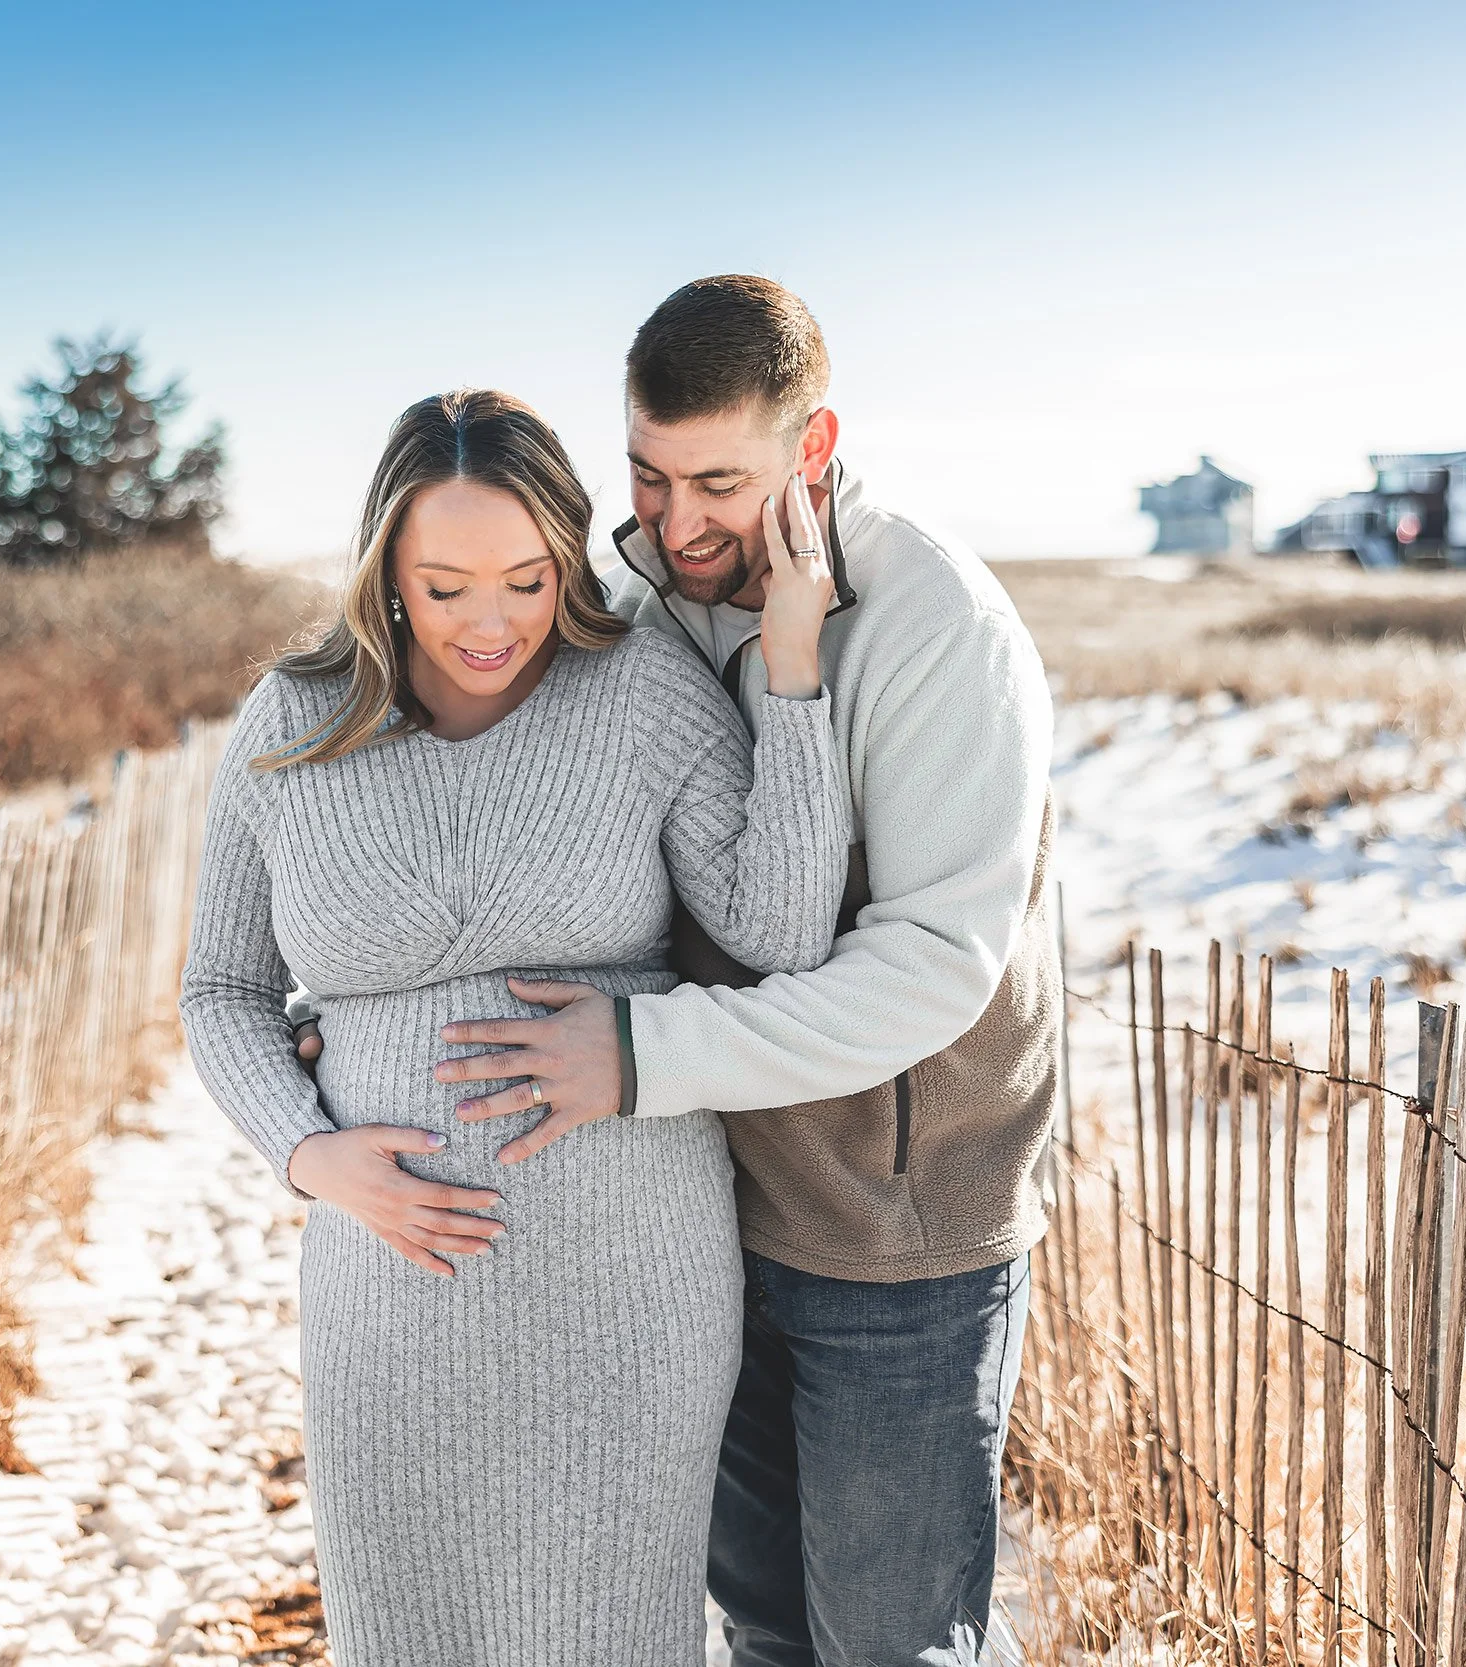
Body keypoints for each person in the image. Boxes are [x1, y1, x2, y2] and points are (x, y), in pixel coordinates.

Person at [433, 276, 1059, 1667]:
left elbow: (930, 970)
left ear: (814, 446)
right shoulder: (645, 601)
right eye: (650, 476)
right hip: (703, 1205)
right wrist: (371, 1011)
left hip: (893, 1230)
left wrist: (645, 1053)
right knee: (767, 1625)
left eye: (721, 479)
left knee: (894, 1643)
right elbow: (537, 823)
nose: (677, 520)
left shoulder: (936, 625)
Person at [179, 386, 846, 1665]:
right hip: (390, 1289)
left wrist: (795, 668)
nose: (491, 624)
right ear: (386, 571)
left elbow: (780, 930)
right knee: (406, 1631)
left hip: (628, 1280)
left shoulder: (640, 690)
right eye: (445, 587)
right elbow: (221, 990)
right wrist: (309, 1155)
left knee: (612, 1636)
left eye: (528, 579)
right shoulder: (291, 722)